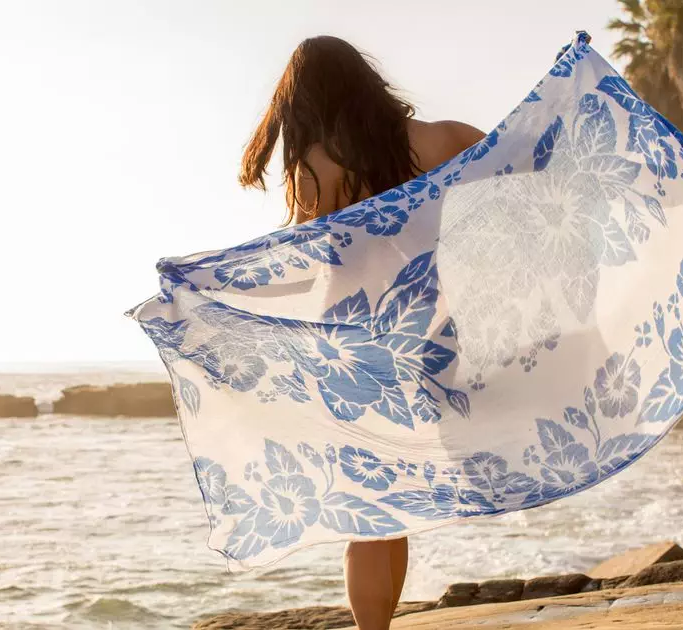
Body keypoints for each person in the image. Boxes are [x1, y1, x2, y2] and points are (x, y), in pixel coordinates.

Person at [237, 35, 487, 630]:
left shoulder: (314, 167)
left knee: (374, 513)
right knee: (394, 506)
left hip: (350, 348)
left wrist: (211, 287)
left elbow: (302, 257)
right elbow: (523, 159)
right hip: (426, 339)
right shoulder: (439, 139)